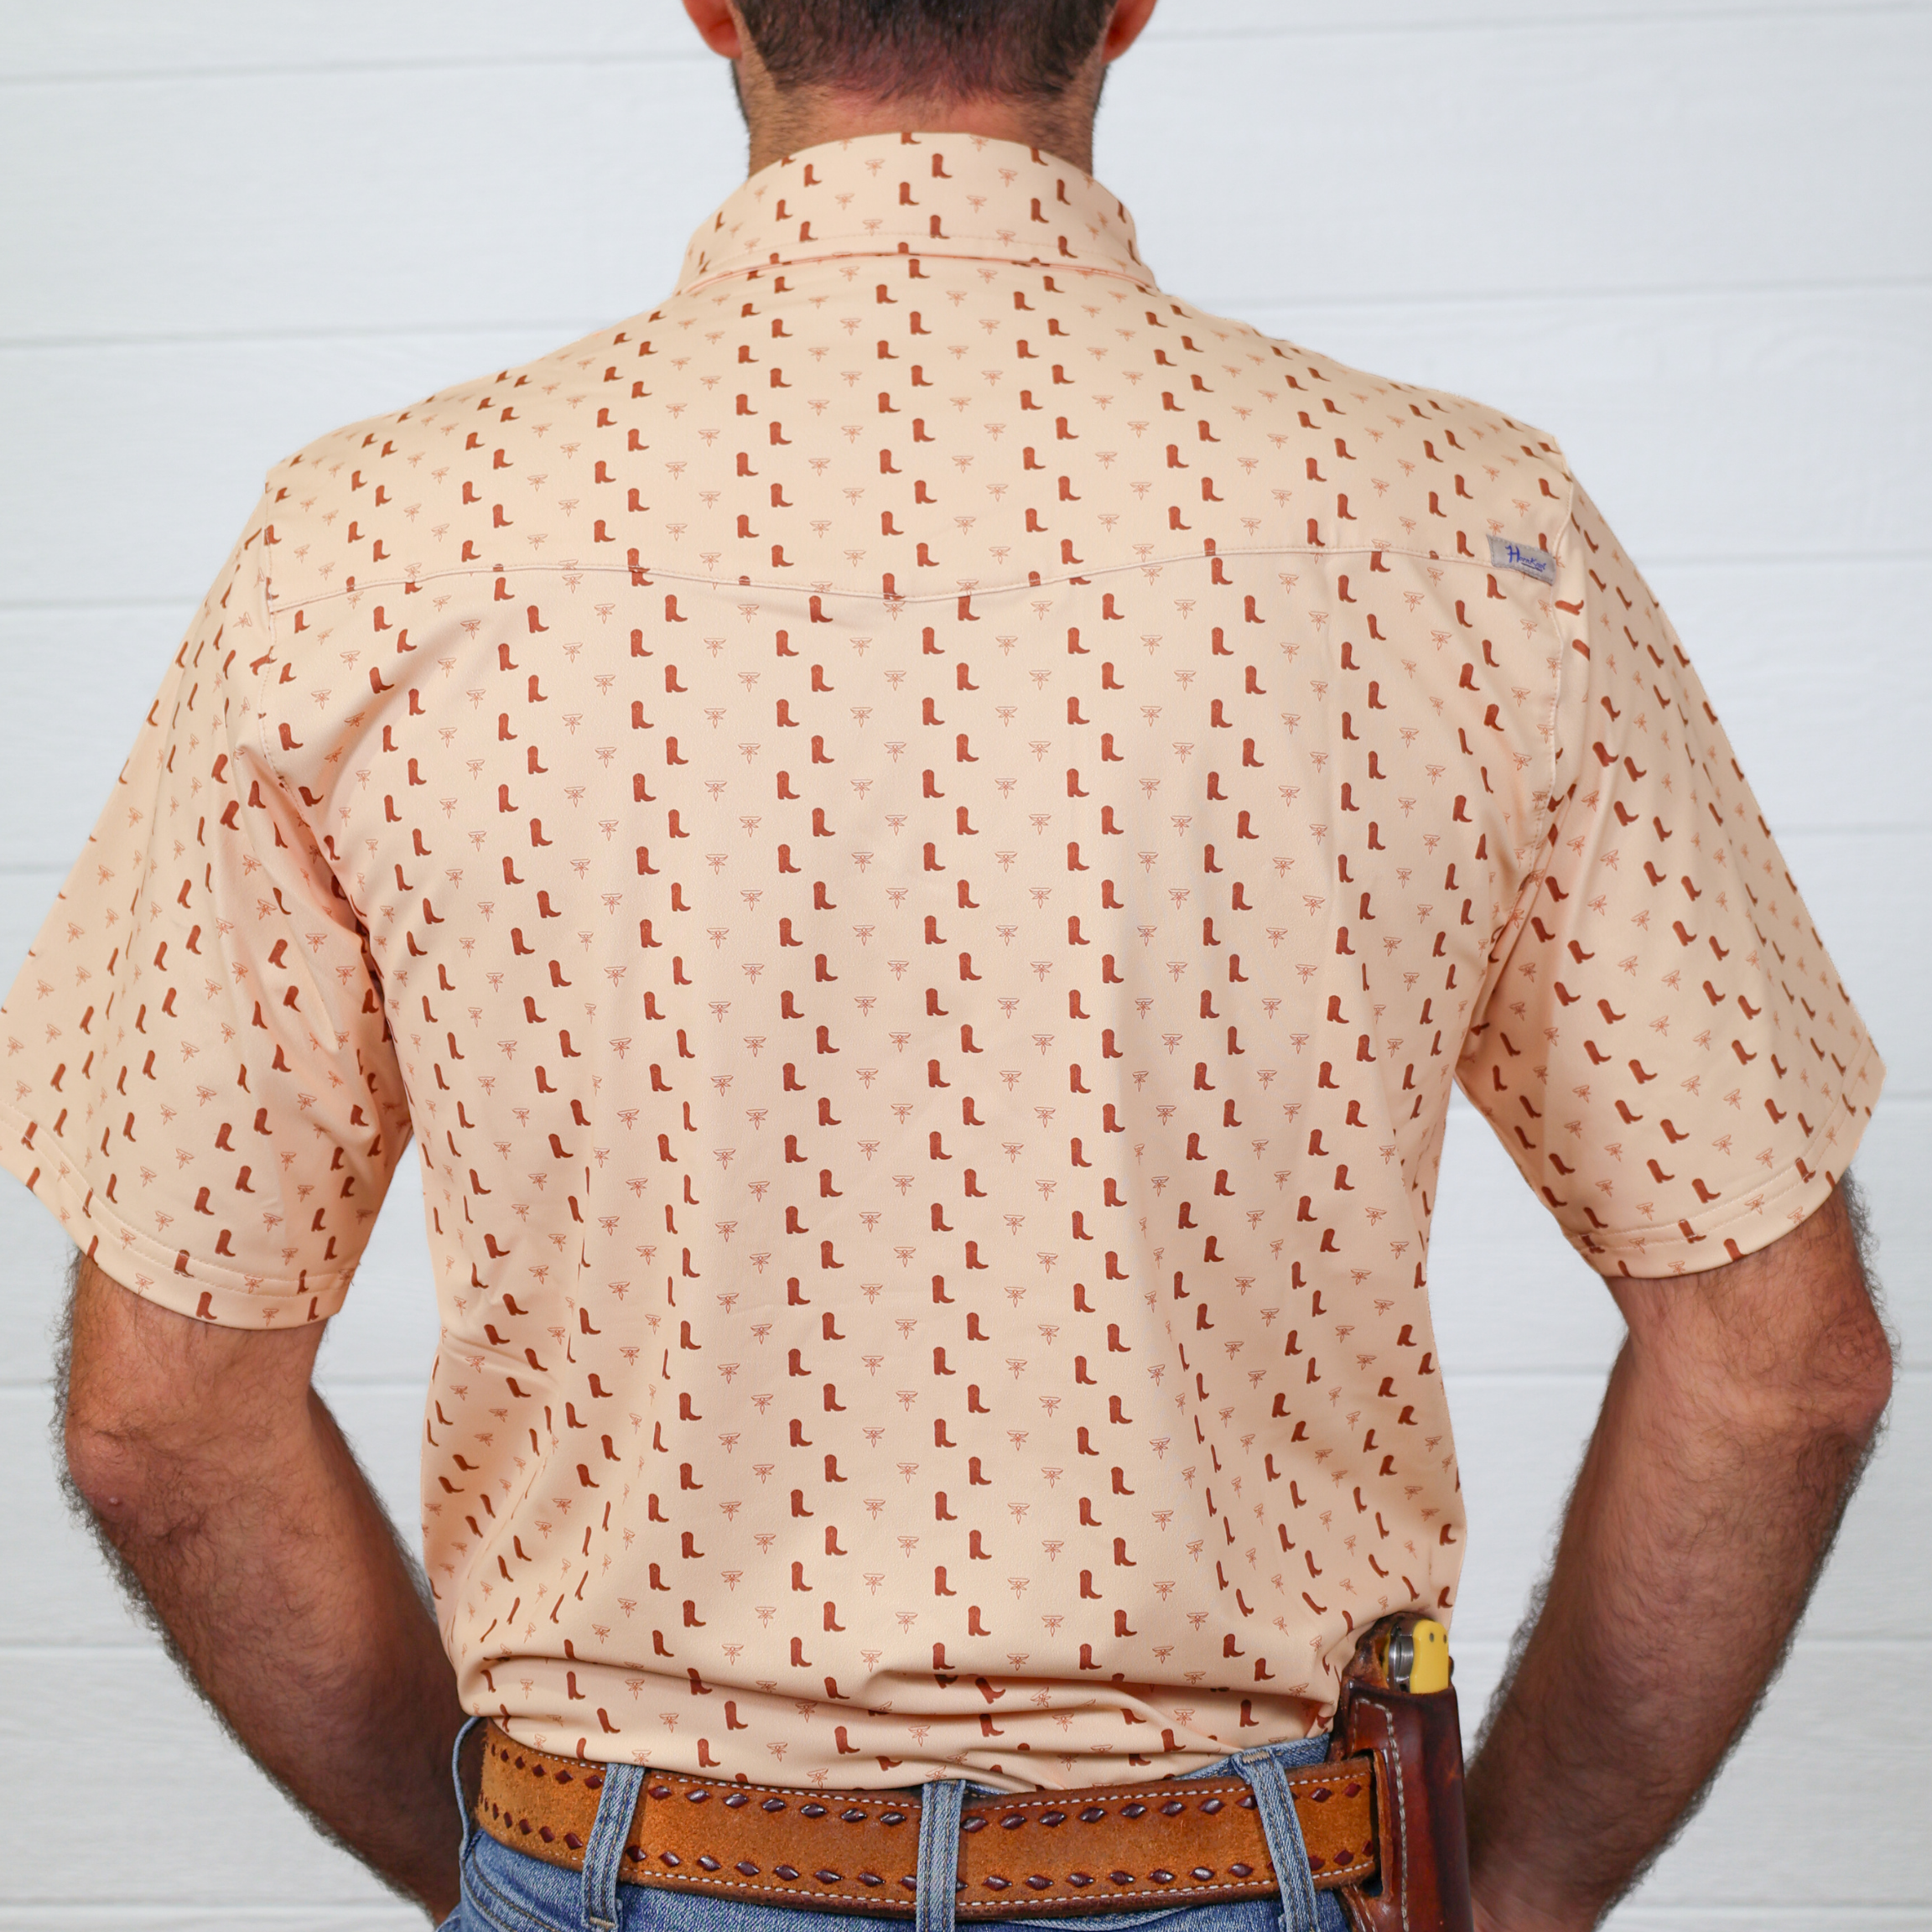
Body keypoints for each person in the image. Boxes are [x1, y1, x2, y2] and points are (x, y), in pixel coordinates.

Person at [4, 2, 1893, 1927]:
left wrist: (513, 1858)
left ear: (713, 5)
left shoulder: (372, 551)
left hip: (615, 1866)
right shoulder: (1465, 532)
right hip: (1264, 1879)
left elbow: (163, 1421)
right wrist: (1516, 1892)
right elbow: (1776, 1373)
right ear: (1130, 4)